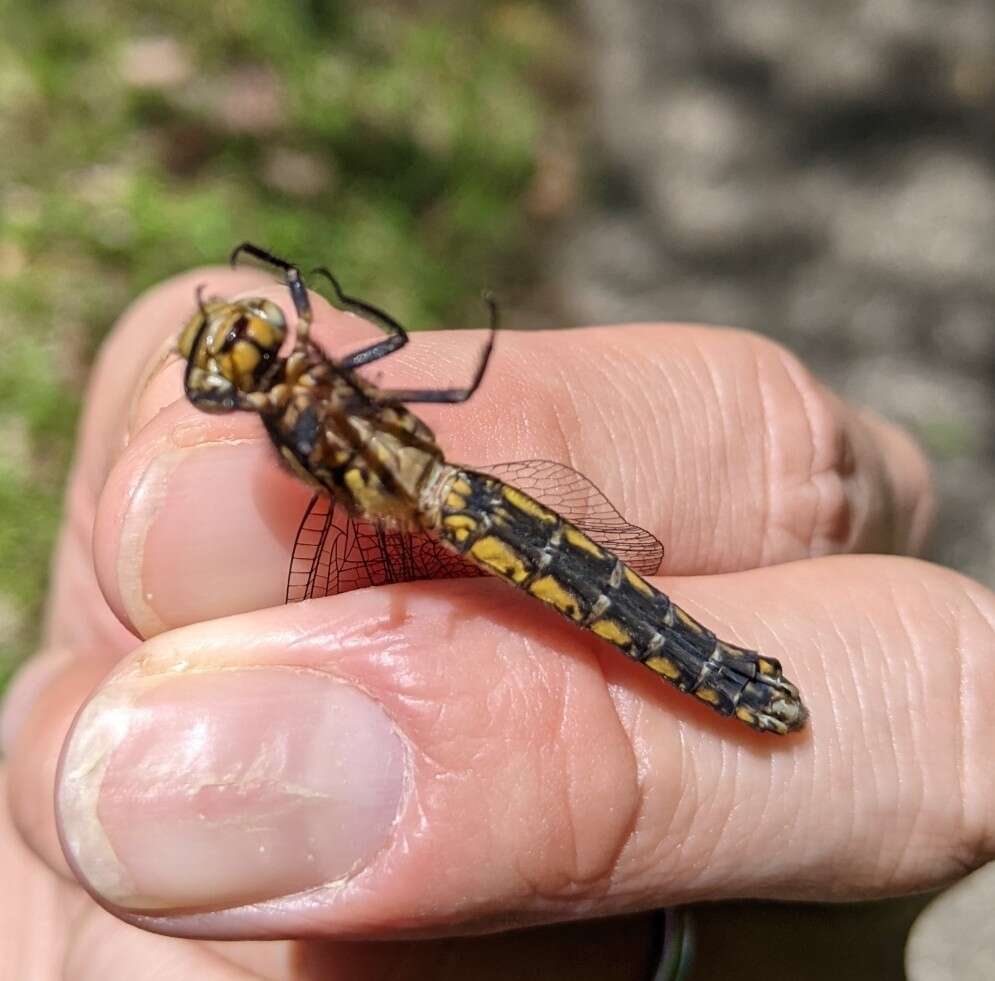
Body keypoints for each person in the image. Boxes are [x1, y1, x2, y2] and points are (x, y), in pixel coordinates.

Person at [2, 265, 992, 980]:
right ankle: (722, 680)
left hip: (454, 501)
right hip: (457, 500)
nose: (247, 336)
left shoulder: (293, 417)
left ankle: (728, 686)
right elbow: (400, 367)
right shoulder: (312, 405)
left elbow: (409, 376)